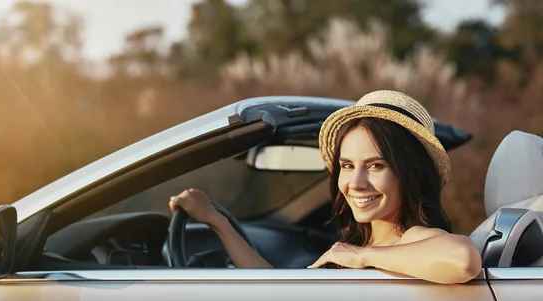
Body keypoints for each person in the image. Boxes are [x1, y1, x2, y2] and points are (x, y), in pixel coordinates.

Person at [169, 90, 482, 284]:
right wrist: (218, 222)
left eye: (376, 165)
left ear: (409, 174)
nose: (356, 184)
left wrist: (363, 258)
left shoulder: (409, 238)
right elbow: (280, 288)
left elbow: (464, 260)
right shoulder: (363, 242)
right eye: (347, 166)